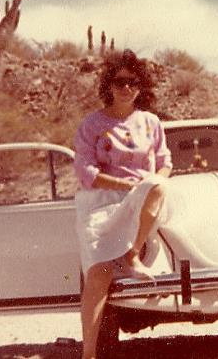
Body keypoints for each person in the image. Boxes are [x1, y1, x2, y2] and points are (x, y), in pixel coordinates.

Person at [73, 49, 172, 359]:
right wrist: (123, 185)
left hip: (141, 198)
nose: (126, 88)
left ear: (141, 87)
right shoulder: (91, 125)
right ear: (109, 86)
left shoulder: (151, 122)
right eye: (119, 82)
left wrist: (148, 182)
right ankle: (89, 354)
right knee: (98, 275)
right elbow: (85, 171)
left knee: (158, 184)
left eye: (133, 82)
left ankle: (132, 253)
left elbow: (164, 162)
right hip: (102, 201)